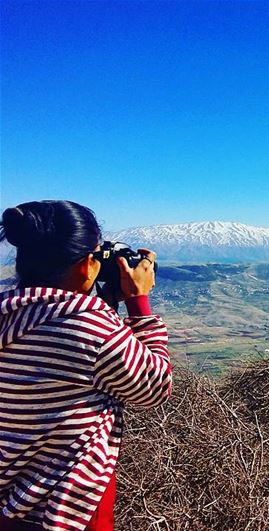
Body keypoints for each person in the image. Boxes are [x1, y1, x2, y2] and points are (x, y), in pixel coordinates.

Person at [0, 200, 172, 531]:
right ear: (86, 266)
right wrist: (139, 302)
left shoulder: (10, 309)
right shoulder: (89, 328)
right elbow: (154, 387)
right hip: (60, 508)